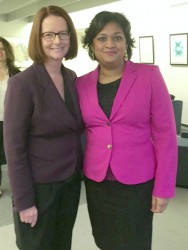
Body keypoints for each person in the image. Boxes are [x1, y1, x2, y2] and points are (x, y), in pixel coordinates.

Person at [75, 11, 178, 250]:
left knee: (134, 242)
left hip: (137, 183)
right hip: (98, 183)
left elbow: (165, 136)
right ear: (92, 44)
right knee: (104, 240)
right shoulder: (81, 83)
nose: (110, 44)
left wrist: (163, 188)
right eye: (102, 38)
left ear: (126, 42)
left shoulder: (148, 75)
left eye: (117, 37)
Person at [4, 5, 83, 250]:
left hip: (69, 184)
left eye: (63, 33)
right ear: (38, 39)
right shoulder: (22, 84)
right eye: (49, 34)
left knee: (62, 244)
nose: (57, 40)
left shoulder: (71, 77)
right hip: (39, 189)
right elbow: (14, 149)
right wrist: (24, 202)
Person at [0, 37, 20, 197]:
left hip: (13, 121)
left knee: (14, 154)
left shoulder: (17, 74)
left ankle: (18, 185)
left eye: (2, 48)